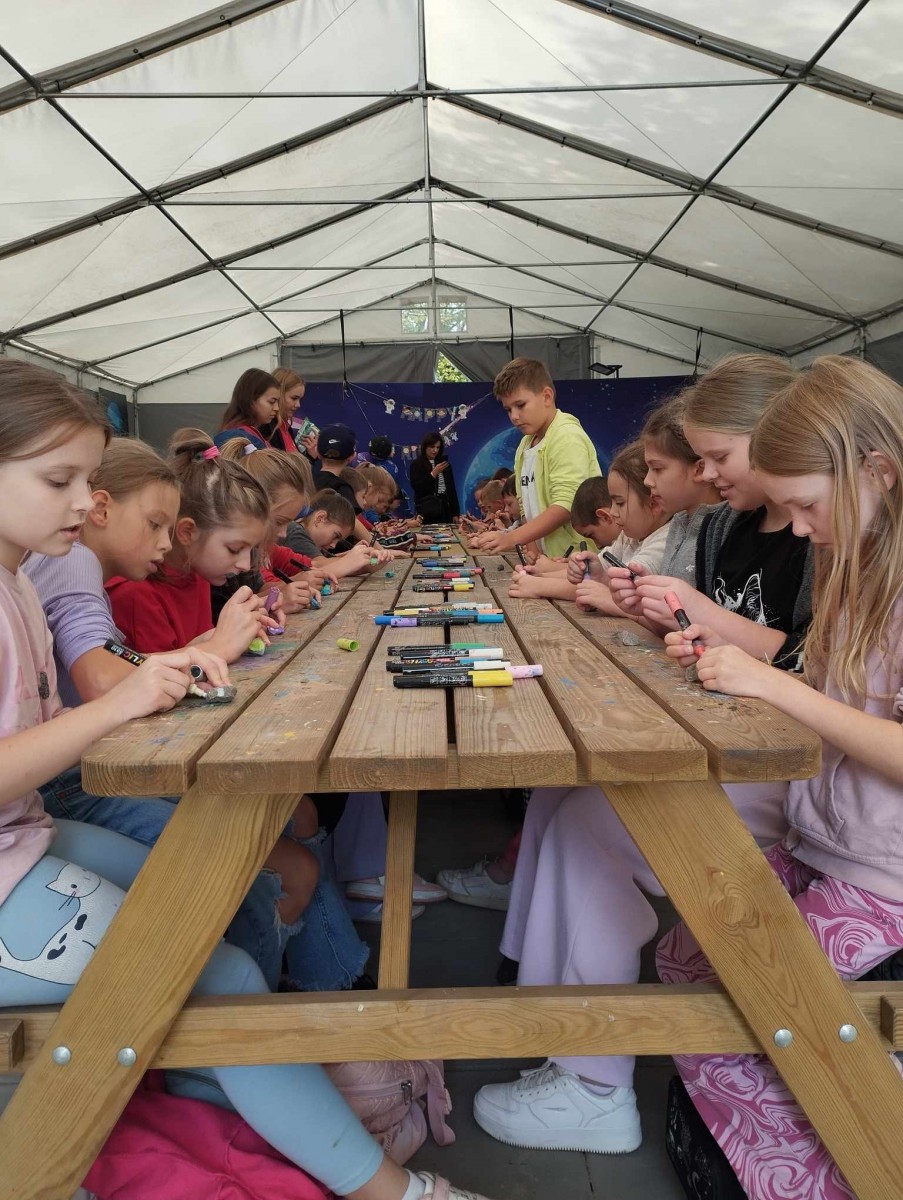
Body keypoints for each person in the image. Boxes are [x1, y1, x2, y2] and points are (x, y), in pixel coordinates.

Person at [0, 360, 485, 1200]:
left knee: (213, 898)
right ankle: (387, 1188)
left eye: (88, 478)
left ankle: (220, 1107)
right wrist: (121, 702)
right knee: (218, 974)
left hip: (23, 835)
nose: (86, 501)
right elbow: (79, 713)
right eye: (58, 480)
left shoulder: (18, 579)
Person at [474, 353, 811, 1157]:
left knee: (587, 822)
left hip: (782, 771)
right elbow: (725, 641)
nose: (705, 473)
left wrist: (689, 613)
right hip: (726, 738)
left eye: (716, 457)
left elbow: (801, 659)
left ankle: (594, 1085)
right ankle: (552, 1016)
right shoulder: (731, 525)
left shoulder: (811, 532)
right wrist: (670, 619)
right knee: (564, 800)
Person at [658, 355, 903, 1200]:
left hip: (885, 876)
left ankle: (829, 1173)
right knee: (688, 954)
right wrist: (749, 667)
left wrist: (772, 685)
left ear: (877, 472)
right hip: (827, 842)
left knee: (749, 1001)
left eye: (805, 504)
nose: (795, 528)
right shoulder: (854, 560)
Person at [471, 358, 600, 558]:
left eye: (520, 405)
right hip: (548, 560)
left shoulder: (567, 436)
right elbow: (524, 508)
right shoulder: (525, 445)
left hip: (577, 560)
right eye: (508, 409)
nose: (514, 416)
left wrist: (511, 538)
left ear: (547, 396)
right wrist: (533, 552)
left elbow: (567, 505)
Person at [214, 368, 282, 451]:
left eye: (278, 402)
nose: (277, 408)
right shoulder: (237, 438)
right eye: (272, 402)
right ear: (251, 401)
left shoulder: (250, 433)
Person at [409, 432, 460, 523]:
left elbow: (452, 490)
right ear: (425, 447)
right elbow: (418, 488)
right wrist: (433, 474)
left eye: (438, 447)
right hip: (427, 508)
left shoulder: (444, 464)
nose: (435, 450)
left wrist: (455, 513)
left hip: (445, 507)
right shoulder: (416, 464)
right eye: (432, 447)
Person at [269, 366, 312, 454]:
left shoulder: (285, 427)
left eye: (300, 399)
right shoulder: (268, 429)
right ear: (278, 394)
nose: (298, 405)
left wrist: (310, 455)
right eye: (294, 398)